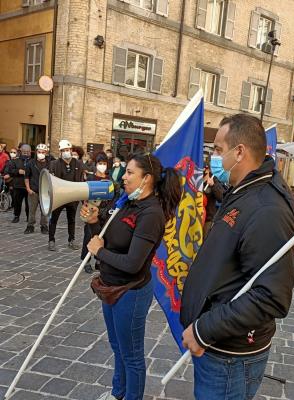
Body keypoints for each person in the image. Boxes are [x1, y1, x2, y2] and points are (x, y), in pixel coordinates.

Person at [180, 114, 294, 400]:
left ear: (240, 152)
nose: (214, 158)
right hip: (219, 349)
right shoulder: (243, 190)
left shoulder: (267, 209)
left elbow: (270, 296)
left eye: (219, 150)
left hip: (229, 357)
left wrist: (204, 329)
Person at [82, 152, 181, 400]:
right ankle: (118, 393)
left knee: (132, 355)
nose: (123, 177)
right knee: (118, 347)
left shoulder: (151, 214)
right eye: (125, 171)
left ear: (146, 178)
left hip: (130, 292)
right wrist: (94, 222)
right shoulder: (127, 202)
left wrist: (100, 252)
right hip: (110, 287)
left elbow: (133, 264)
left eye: (129, 172)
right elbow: (107, 239)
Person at [48, 139, 84, 251]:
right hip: (59, 196)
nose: (66, 152)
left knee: (72, 219)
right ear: (60, 152)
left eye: (67, 150)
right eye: (63, 150)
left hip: (72, 197)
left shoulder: (78, 164)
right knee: (54, 219)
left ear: (71, 150)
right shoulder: (54, 164)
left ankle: (71, 240)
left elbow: (81, 180)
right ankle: (51, 240)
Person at [81, 151, 110, 274]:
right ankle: (86, 261)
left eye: (104, 163)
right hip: (91, 213)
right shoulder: (91, 178)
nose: (102, 166)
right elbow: (84, 194)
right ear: (96, 164)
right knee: (88, 236)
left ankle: (99, 260)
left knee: (102, 237)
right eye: (100, 163)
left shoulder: (110, 180)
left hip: (104, 213)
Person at [24, 144, 50, 234]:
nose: (41, 153)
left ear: (46, 153)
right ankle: (30, 226)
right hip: (33, 191)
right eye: (39, 152)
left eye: (43, 152)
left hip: (45, 192)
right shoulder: (31, 163)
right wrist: (28, 189)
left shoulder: (49, 164)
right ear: (36, 152)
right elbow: (26, 177)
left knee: (44, 210)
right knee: (32, 210)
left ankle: (44, 226)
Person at [5, 144, 31, 223]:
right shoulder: (15, 161)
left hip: (29, 186)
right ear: (20, 152)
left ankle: (28, 217)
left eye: (27, 152)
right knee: (17, 203)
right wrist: (18, 171)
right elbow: (10, 171)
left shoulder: (32, 161)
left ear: (30, 152)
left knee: (29, 204)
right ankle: (16, 216)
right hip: (18, 185)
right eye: (24, 152)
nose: (26, 153)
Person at [202, 164, 224, 237]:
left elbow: (221, 197)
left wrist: (213, 185)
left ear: (207, 169)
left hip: (208, 219)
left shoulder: (214, 180)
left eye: (204, 168)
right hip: (195, 217)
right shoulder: (196, 179)